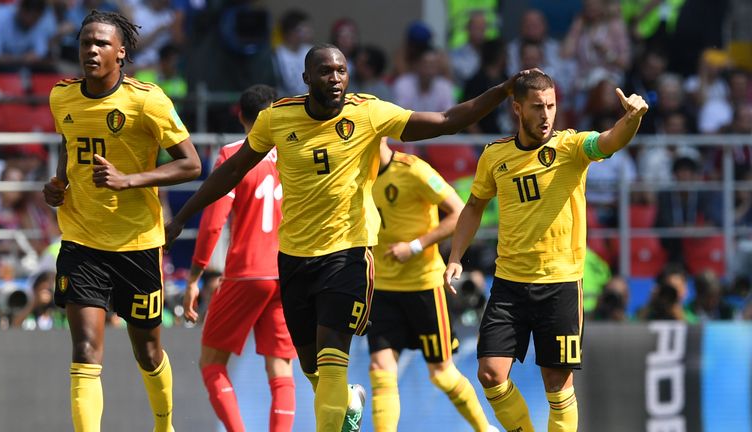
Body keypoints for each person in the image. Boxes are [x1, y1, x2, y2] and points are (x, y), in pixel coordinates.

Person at [165, 43, 531, 432]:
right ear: (306, 79)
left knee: (332, 360)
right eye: (326, 71)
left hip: (349, 255)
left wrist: (503, 90)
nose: (336, 78)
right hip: (292, 258)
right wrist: (181, 218)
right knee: (313, 370)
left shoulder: (368, 112)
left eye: (341, 70)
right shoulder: (277, 118)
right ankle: (349, 403)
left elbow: (446, 119)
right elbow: (233, 169)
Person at [444, 70, 648, 432]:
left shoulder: (570, 148)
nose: (546, 115)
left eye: (551, 106)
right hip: (509, 284)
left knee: (557, 385)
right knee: (490, 374)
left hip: (560, 285)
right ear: (517, 108)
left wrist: (631, 119)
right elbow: (473, 206)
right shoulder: (495, 156)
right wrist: (456, 257)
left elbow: (609, 142)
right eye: (538, 107)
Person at [41, 10, 201, 432]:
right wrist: (59, 183)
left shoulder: (147, 100)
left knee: (147, 353)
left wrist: (130, 180)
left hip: (137, 243)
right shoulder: (62, 96)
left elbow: (191, 164)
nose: (90, 50)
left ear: (122, 52)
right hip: (81, 239)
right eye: (85, 43)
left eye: (101, 44)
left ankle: (164, 425)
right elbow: (67, 141)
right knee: (85, 348)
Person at [183, 84, 297, 432]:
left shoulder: (234, 154)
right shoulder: (295, 154)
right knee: (281, 369)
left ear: (240, 115)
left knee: (211, 362)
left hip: (247, 273)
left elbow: (213, 220)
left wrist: (194, 277)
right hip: (288, 273)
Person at [368, 139, 493, 431]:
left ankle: (485, 429)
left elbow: (459, 212)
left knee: (442, 374)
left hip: (423, 286)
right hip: (383, 289)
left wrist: (414, 246)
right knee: (380, 371)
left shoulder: (414, 171)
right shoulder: (357, 174)